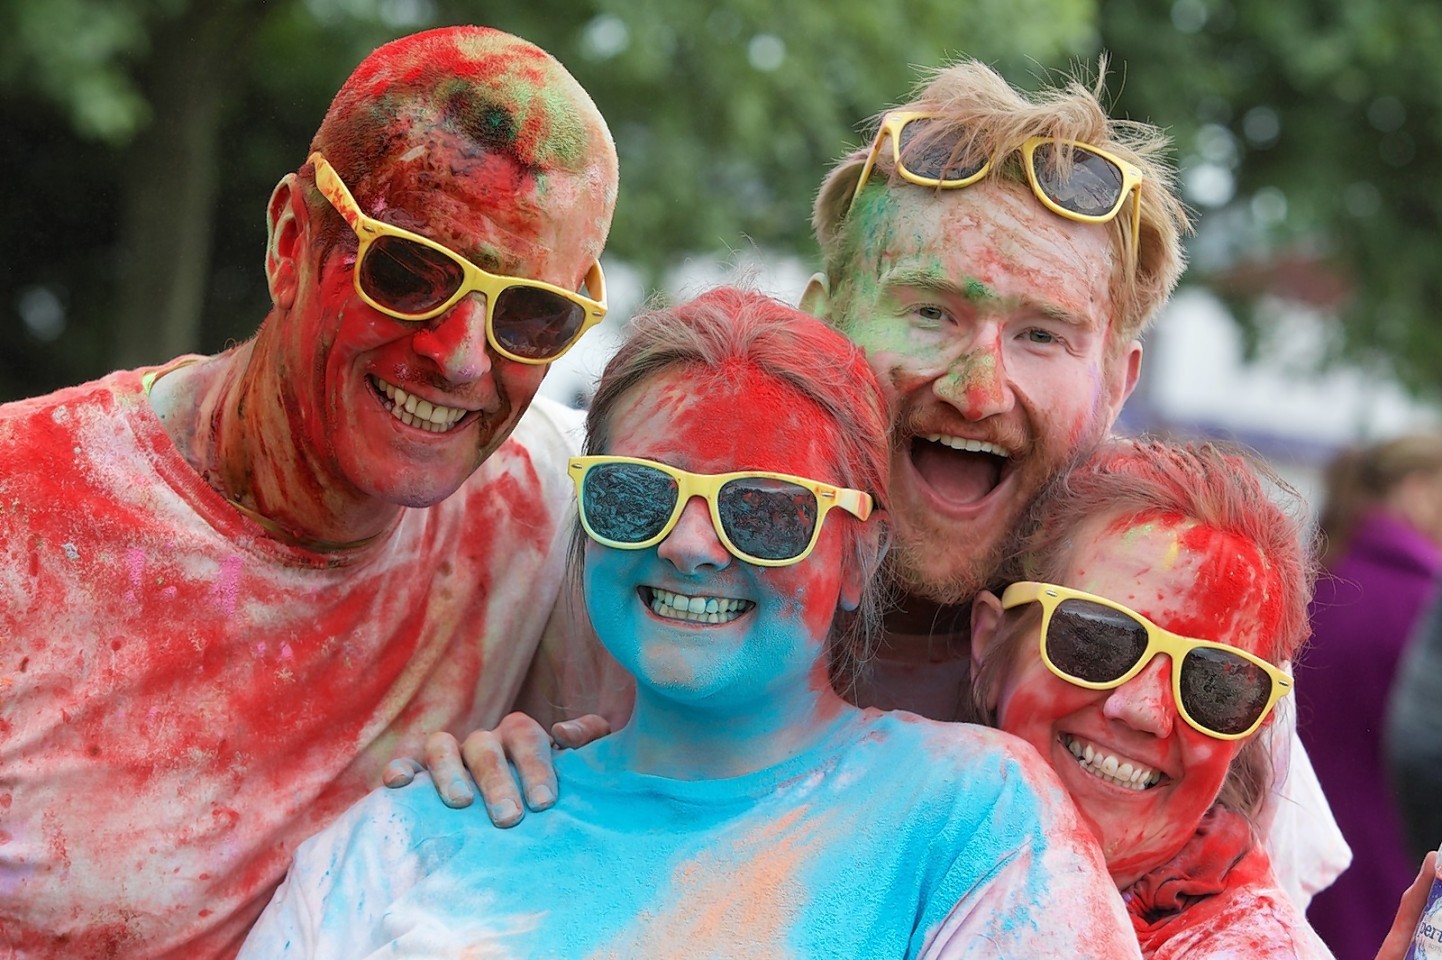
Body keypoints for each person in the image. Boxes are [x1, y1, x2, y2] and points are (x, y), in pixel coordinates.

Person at [401, 54, 1350, 909]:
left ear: (1116, 389)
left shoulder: (1185, 671)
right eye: (930, 310)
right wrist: (480, 794)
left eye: (1041, 335)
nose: (978, 391)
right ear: (820, 329)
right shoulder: (615, 518)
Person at [241, 287, 1142, 958]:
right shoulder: (405, 838)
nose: (691, 545)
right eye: (637, 495)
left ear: (862, 556)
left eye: (764, 511)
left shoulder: (974, 818)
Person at [0, 26, 622, 958]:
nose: (459, 357)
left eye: (532, 315)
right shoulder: (23, 515)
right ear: (292, 240)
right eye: (409, 271)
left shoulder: (542, 510)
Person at [966, 437, 1332, 957]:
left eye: (1216, 685)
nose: (1144, 711)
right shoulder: (853, 829)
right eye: (1097, 638)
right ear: (989, 642)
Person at [1298, 433, 1442, 958]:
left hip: (1294, 857)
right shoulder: (1426, 608)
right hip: (1390, 871)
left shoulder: (1315, 577)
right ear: (1417, 489)